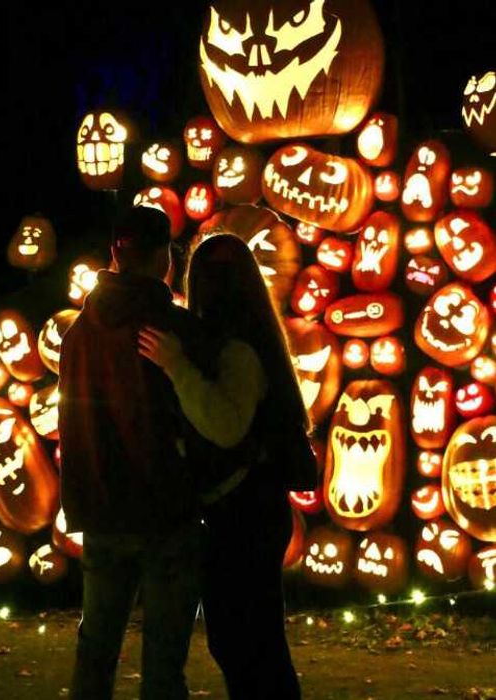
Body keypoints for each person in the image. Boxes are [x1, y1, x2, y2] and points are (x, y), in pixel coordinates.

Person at [137, 232, 308, 699]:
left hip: (245, 515)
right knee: (249, 642)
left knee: (246, 643)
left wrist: (176, 367)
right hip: (249, 512)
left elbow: (225, 424)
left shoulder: (238, 350)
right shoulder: (244, 341)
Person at [58, 206, 216, 700]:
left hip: (102, 510)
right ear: (164, 258)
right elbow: (199, 420)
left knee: (96, 648)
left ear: (114, 255)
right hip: (166, 510)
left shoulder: (77, 335)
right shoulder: (177, 331)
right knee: (165, 660)